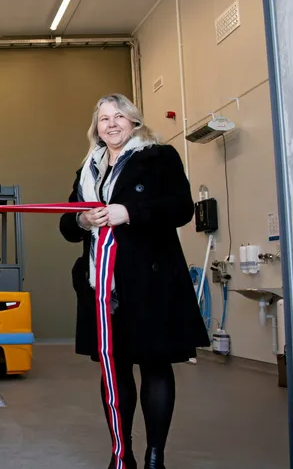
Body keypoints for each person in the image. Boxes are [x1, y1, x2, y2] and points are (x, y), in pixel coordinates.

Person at [58, 93, 210, 469]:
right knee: (114, 367)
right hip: (103, 288)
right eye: (104, 119)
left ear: (134, 122)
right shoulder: (88, 169)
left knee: (155, 366)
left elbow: (180, 209)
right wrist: (82, 220)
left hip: (149, 283)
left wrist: (129, 212)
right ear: (96, 128)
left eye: (119, 116)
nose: (111, 124)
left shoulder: (159, 157)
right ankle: (120, 452)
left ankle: (155, 455)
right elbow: (66, 221)